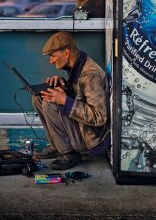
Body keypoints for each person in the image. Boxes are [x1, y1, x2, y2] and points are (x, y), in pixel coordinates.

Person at [33, 31, 110, 170]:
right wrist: (63, 85)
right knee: (39, 97)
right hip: (82, 128)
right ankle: (58, 145)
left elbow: (100, 117)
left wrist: (64, 100)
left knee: (50, 102)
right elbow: (80, 95)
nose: (51, 61)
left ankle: (69, 153)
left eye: (52, 56)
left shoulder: (90, 75)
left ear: (66, 53)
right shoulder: (77, 65)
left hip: (92, 138)